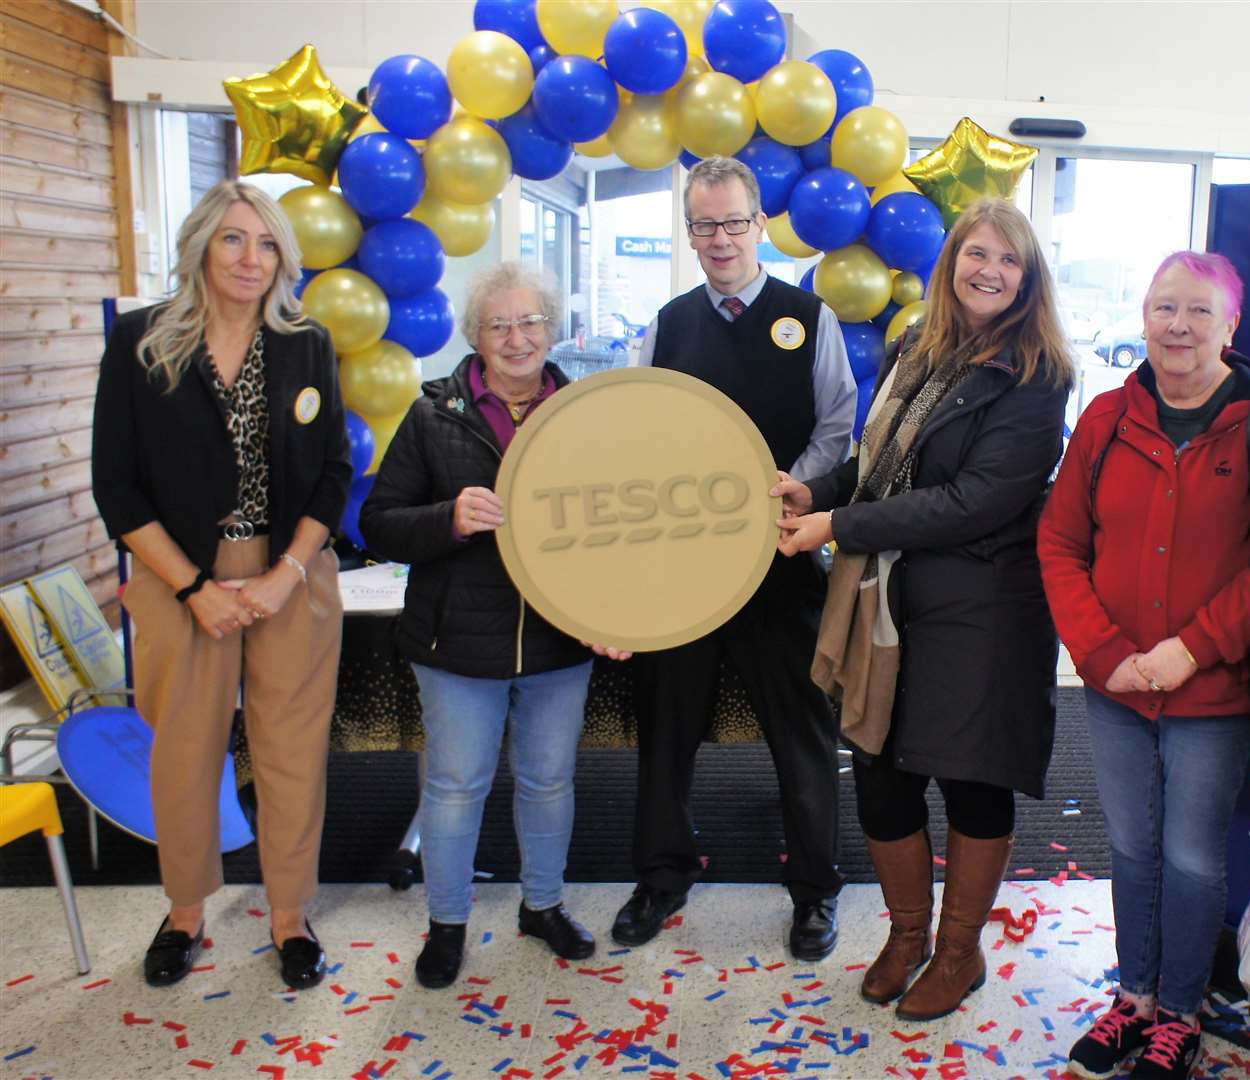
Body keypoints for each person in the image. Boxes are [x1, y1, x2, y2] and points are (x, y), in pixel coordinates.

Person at [773, 197, 1073, 1020]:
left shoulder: (1036, 372)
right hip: (890, 595)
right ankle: (907, 935)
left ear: (1028, 277)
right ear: (951, 262)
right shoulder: (918, 345)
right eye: (977, 253)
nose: (989, 270)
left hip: (982, 606)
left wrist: (838, 524)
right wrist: (818, 491)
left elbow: (975, 501)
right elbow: (879, 459)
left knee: (971, 781)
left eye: (1008, 260)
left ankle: (957, 949)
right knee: (879, 769)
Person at [1038, 251, 1250, 1079]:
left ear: (1232, 325)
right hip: (1117, 686)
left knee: (1192, 855)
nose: (1178, 327)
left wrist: (1190, 650)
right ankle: (1135, 1000)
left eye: (1198, 312)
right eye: (1163, 309)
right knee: (1130, 848)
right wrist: (1104, 653)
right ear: (1144, 318)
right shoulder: (1108, 415)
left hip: (1216, 688)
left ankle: (1180, 1014)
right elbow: (1059, 541)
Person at [91, 180, 350, 990]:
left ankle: (287, 914)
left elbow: (334, 473)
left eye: (268, 243)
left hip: (289, 574)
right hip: (178, 578)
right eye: (235, 239)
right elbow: (116, 485)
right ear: (201, 245)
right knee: (186, 751)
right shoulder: (141, 343)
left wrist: (286, 574)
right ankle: (185, 909)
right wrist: (194, 588)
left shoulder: (305, 343)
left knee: (291, 751)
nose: (251, 259)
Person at [612, 156, 857, 960]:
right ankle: (661, 874)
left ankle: (816, 891)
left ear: (759, 223)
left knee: (802, 731)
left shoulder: (806, 315)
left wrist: (804, 488)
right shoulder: (667, 323)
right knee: (666, 723)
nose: (719, 239)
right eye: (703, 225)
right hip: (683, 568)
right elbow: (640, 431)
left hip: (779, 561)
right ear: (689, 232)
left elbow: (836, 425)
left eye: (732, 222)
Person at [359, 262, 604, 989]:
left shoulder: (588, 413)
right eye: (498, 325)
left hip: (560, 635)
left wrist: (618, 608)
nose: (516, 337)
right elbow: (378, 524)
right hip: (456, 642)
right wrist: (447, 518)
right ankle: (447, 923)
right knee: (456, 785)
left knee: (548, 782)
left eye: (529, 322)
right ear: (475, 337)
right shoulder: (433, 414)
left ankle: (543, 906)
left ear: (552, 330)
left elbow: (620, 527)